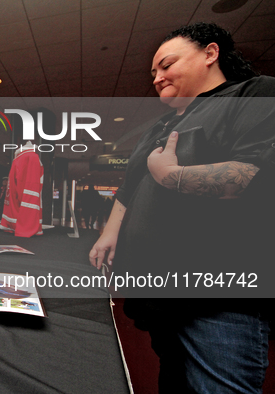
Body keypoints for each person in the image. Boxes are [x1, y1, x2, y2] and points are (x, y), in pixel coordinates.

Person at [89, 22, 275, 393]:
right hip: (158, 291)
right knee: (172, 381)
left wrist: (171, 175)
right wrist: (110, 234)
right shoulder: (161, 125)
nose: (157, 77)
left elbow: (255, 175)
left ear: (210, 53)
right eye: (153, 72)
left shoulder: (253, 94)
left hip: (217, 296)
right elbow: (129, 188)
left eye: (166, 65)